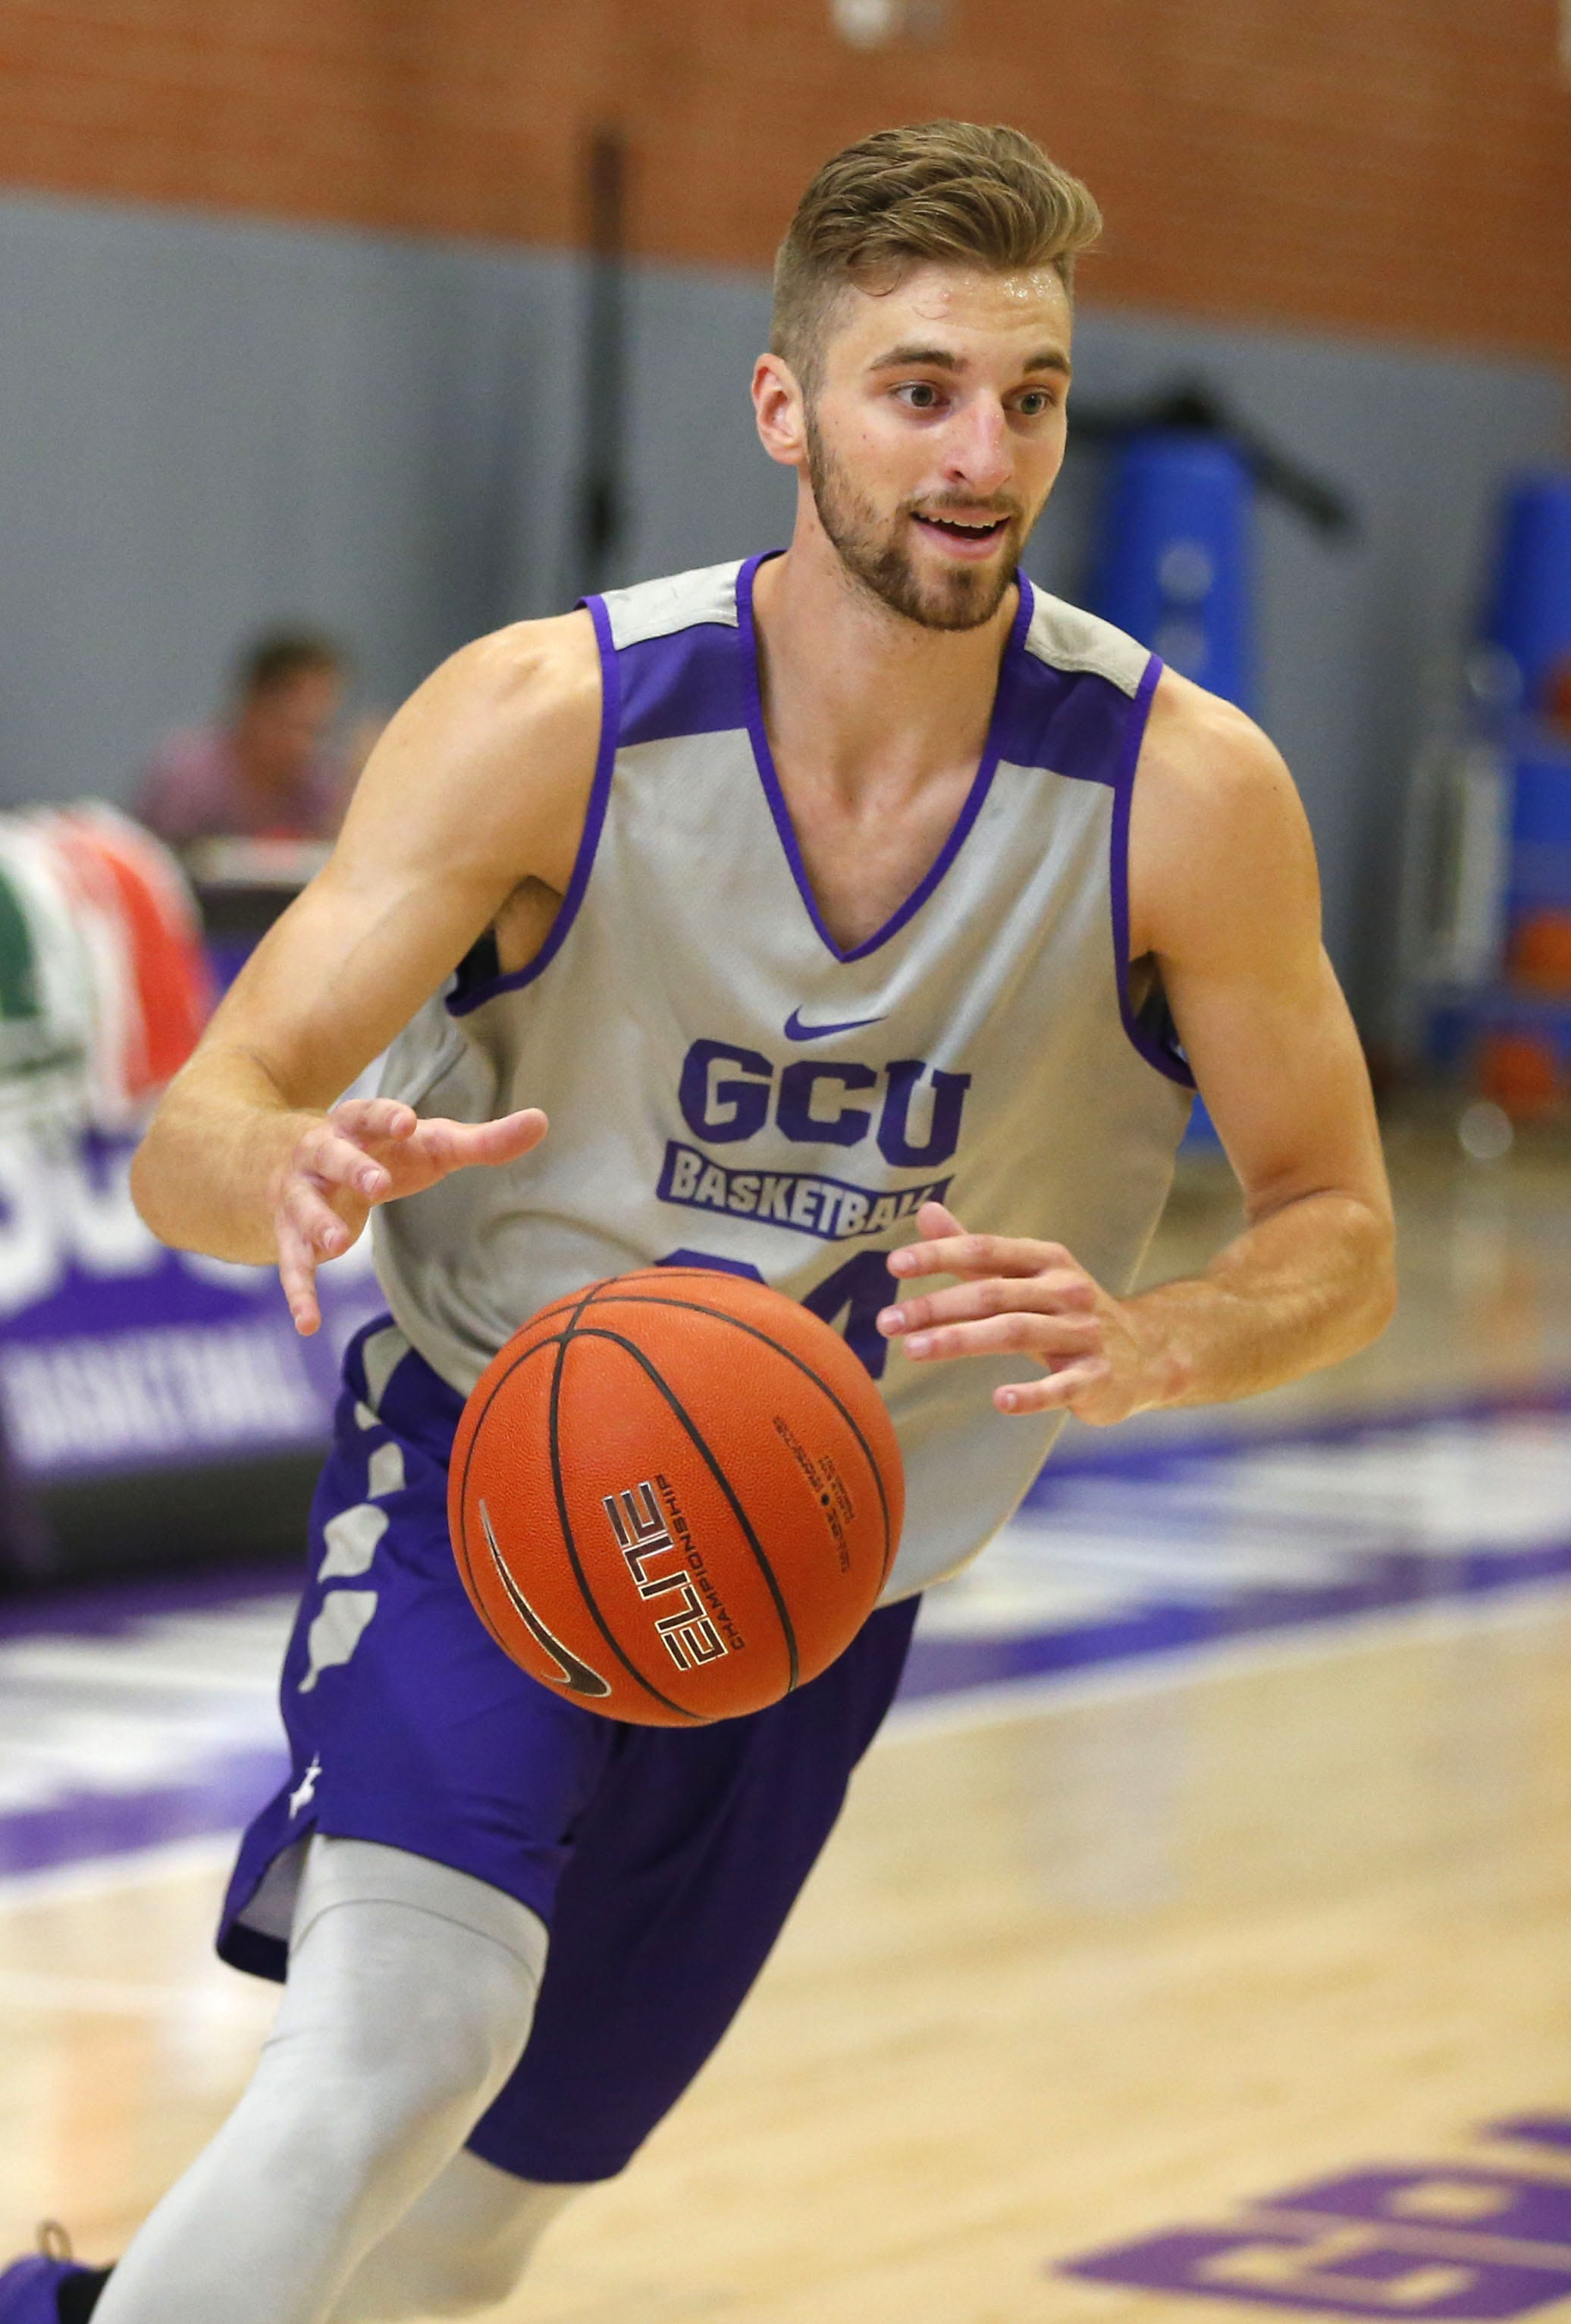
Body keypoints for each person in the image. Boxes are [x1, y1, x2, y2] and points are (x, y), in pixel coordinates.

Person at [1, 119, 1395, 2324]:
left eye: (1024, 395)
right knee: (398, 2047)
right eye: (917, 386)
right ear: (786, 407)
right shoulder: (548, 718)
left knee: (492, 2205)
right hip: (496, 1453)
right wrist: (303, 1162)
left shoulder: (1183, 790)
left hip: (823, 1560)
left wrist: (1169, 1336)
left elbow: (1340, 1221)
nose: (978, 451)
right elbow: (206, 1124)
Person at [136, 629, 350, 848]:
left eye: (318, 732)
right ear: (253, 707)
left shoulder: (318, 788)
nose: (304, 747)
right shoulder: (187, 780)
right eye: (294, 727)